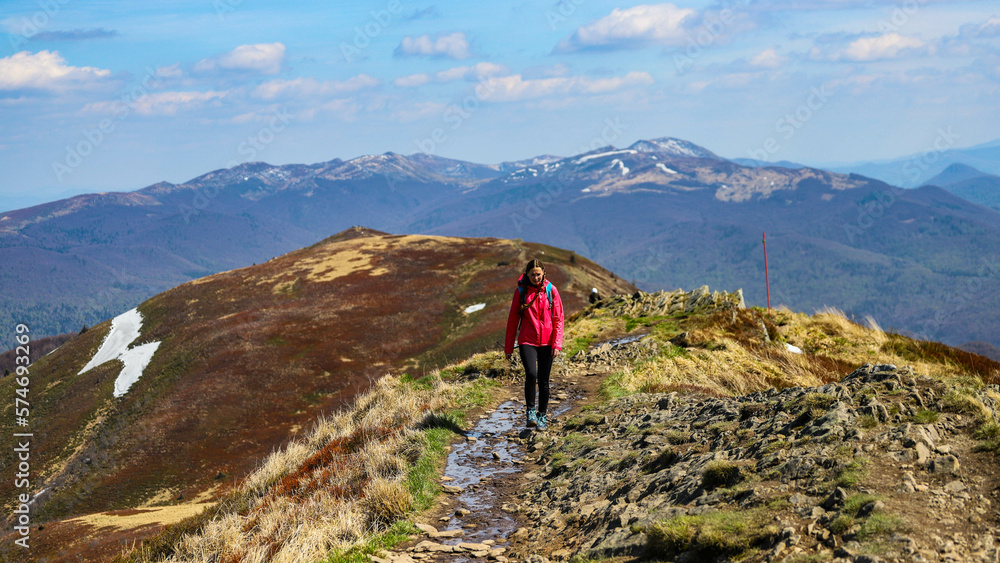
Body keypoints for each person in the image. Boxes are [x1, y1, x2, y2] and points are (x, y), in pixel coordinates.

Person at [504, 259, 564, 430]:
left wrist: (556, 344)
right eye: (532, 275)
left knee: (544, 380)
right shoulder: (521, 292)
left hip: (548, 341)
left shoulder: (551, 290)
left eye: (538, 274)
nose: (536, 278)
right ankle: (531, 412)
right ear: (527, 274)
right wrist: (508, 347)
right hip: (527, 340)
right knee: (531, 374)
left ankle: (542, 416)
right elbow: (512, 321)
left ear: (544, 272)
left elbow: (559, 319)